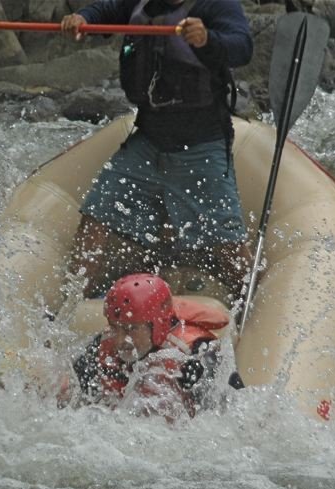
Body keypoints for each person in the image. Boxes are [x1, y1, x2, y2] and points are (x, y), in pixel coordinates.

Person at [61, 0, 254, 301]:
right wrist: (82, 18)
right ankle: (68, 304)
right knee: (96, 217)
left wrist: (208, 40)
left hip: (202, 146)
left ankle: (252, 306)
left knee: (227, 246)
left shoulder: (216, 4)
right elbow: (106, 9)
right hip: (148, 142)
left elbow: (242, 46)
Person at [65, 273, 229, 419]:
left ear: (158, 325)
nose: (121, 340)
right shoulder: (104, 344)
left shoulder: (197, 353)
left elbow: (225, 416)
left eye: (132, 329)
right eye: (115, 327)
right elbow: (69, 399)